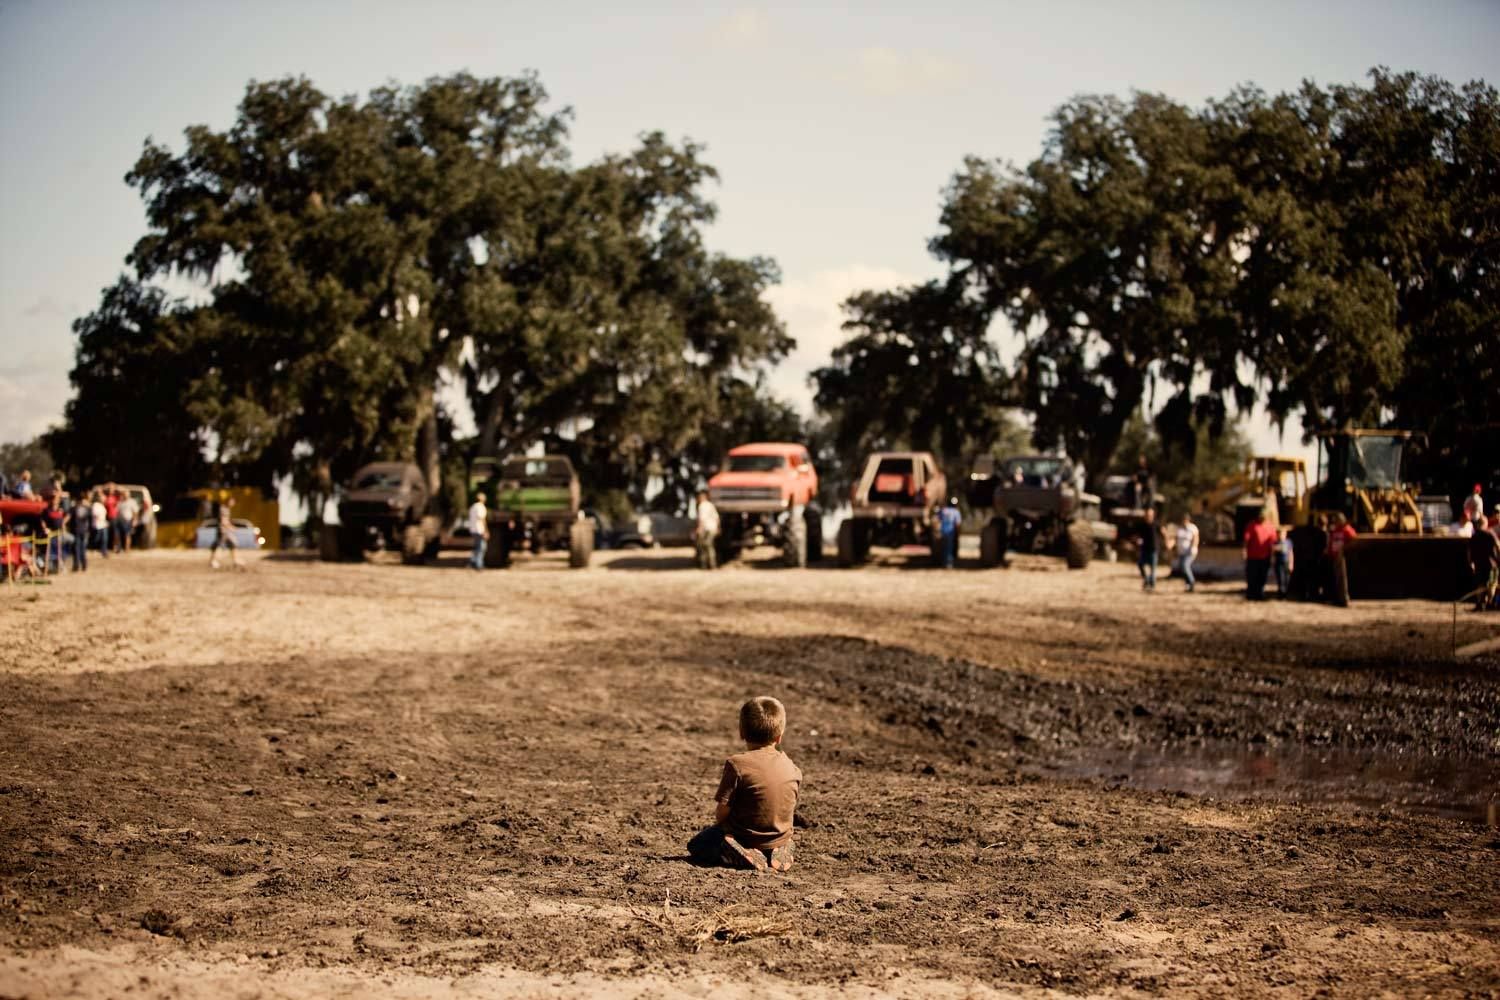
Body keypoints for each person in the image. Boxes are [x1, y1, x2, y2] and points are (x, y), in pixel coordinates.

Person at [687, 696, 802, 873]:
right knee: (778, 837)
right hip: (779, 836)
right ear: (779, 737)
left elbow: (721, 814)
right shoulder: (792, 768)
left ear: (741, 732)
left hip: (744, 837)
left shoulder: (737, 764)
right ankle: (778, 849)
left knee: (697, 845)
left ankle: (743, 852)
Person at [1242, 509, 1278, 601]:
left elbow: (1273, 542)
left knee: (1263, 576)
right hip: (1252, 557)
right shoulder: (1252, 525)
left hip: (1265, 556)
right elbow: (1246, 540)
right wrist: (1244, 551)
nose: (1262, 518)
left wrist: (1273, 555)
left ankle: (1260, 593)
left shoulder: (1271, 527)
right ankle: (1251, 593)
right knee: (1252, 576)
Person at [1466, 512, 1498, 612]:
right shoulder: (1490, 534)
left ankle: (1480, 603)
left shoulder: (1474, 536)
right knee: (1492, 584)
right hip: (1492, 564)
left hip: (1479, 564)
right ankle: (1489, 603)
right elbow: (1497, 546)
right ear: (1485, 523)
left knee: (1480, 584)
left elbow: (1469, 552)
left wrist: (1471, 563)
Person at [1325, 512, 1357, 607]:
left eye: (1337, 520)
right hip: (1334, 557)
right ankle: (1337, 598)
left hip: (1342, 557)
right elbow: (1331, 542)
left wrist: (1345, 549)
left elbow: (1353, 538)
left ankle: (1344, 599)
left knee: (1342, 579)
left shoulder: (1346, 529)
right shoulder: (1335, 530)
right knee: (1336, 578)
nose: (1335, 522)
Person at [1169, 512, 1199, 592]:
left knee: (1185, 566)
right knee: (1182, 568)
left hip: (1189, 552)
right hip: (1181, 552)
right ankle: (1188, 584)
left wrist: (1193, 547)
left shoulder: (1192, 528)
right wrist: (1172, 547)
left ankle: (1192, 582)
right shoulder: (1179, 529)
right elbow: (1176, 539)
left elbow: (1195, 538)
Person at [209, 496, 241, 570]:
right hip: (223, 531)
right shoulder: (224, 509)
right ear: (228, 501)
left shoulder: (226, 509)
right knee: (219, 546)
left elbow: (226, 520)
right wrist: (231, 527)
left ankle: (235, 560)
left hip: (225, 531)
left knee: (231, 545)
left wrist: (231, 526)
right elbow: (224, 521)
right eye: (232, 501)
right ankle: (213, 561)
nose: (233, 503)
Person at [38, 492, 67, 575]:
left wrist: (64, 530)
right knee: (49, 553)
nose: (55, 501)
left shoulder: (60, 510)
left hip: (59, 534)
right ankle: (47, 569)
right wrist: (45, 529)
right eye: (54, 499)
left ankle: (59, 568)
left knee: (60, 552)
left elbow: (62, 522)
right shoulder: (46, 510)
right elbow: (42, 520)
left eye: (57, 499)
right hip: (50, 535)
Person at [1135, 508, 1161, 591]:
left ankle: (1152, 586)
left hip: (1154, 549)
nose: (1148, 516)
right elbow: (1139, 536)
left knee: (1152, 569)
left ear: (1153, 515)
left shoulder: (1156, 524)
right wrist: (1137, 540)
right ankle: (1146, 580)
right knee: (1140, 564)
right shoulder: (1142, 525)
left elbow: (1163, 532)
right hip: (1144, 549)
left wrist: (1168, 542)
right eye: (1147, 515)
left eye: (1150, 515)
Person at [694, 489, 720, 570]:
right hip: (713, 528)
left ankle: (705, 565)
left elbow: (702, 519)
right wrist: (718, 528)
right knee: (710, 546)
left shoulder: (702, 506)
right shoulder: (710, 505)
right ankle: (712, 565)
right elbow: (717, 518)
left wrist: (699, 528)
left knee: (704, 546)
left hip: (706, 528)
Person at [937, 497, 962, 569]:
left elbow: (938, 518)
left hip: (943, 531)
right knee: (949, 548)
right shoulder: (956, 512)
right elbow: (957, 524)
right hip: (950, 532)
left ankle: (943, 562)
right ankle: (949, 564)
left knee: (943, 547)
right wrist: (958, 532)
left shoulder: (943, 511)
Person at [467, 491, 489, 571]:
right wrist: (486, 530)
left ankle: (472, 562)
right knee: (481, 547)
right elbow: (482, 519)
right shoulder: (481, 507)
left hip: (473, 529)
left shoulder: (473, 507)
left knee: (477, 547)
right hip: (479, 529)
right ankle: (479, 564)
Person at [70, 492, 91, 572]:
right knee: (81, 549)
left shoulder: (74, 508)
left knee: (78, 549)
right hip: (82, 530)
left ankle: (78, 566)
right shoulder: (87, 508)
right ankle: (82, 566)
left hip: (78, 530)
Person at [1271, 526, 1294, 597]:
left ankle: (1286, 593)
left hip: (1286, 562)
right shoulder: (1275, 542)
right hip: (1278, 563)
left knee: (1287, 578)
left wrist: (1291, 563)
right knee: (1280, 578)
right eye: (1279, 534)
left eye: (1283, 534)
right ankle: (1281, 593)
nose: (1281, 535)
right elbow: (1272, 552)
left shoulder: (1289, 542)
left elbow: (1291, 553)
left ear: (1286, 534)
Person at [116, 490, 139, 554]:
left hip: (128, 521)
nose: (125, 495)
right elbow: (117, 511)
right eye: (124, 494)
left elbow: (135, 512)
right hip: (120, 521)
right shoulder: (120, 502)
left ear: (129, 495)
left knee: (127, 535)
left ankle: (127, 549)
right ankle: (119, 549)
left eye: (126, 494)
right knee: (118, 535)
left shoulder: (132, 502)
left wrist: (135, 520)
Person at [89, 491, 109, 559]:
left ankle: (104, 552)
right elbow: (95, 514)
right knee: (97, 539)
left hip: (103, 525)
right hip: (97, 525)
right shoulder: (96, 505)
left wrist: (105, 522)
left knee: (104, 539)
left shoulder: (102, 505)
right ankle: (94, 549)